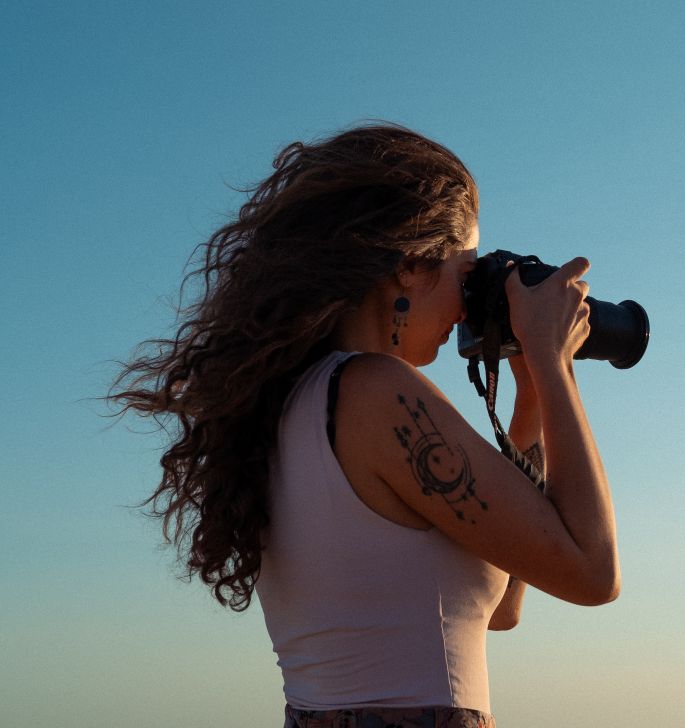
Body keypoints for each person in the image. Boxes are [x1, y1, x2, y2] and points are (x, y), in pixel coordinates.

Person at [111, 124, 620, 728]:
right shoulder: (377, 391)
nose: (466, 307)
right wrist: (554, 362)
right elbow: (592, 571)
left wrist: (530, 402)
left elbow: (499, 608)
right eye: (466, 275)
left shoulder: (291, 403)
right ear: (410, 264)